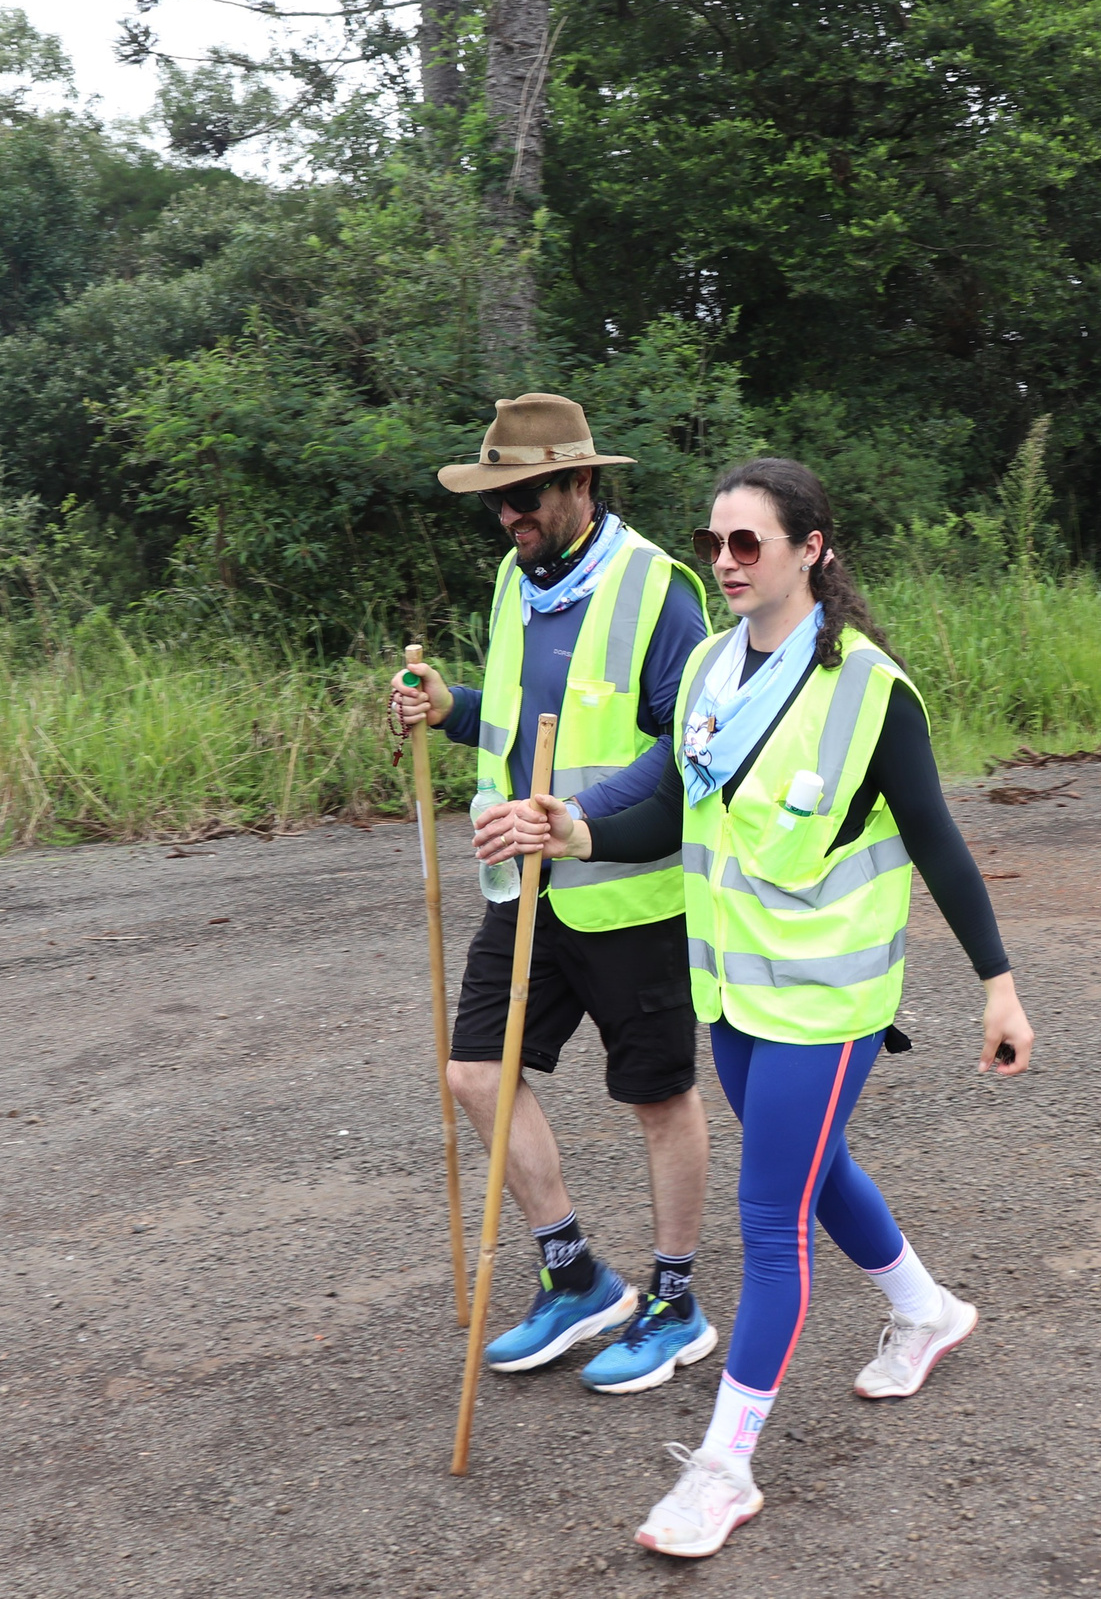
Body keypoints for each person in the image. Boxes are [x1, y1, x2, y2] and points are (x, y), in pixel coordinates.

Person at [480, 457, 1036, 1558]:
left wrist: (998, 984)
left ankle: (724, 1470)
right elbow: (661, 808)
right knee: (813, 1167)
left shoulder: (870, 691)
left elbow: (937, 841)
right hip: (730, 986)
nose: (726, 563)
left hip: (827, 999)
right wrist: (572, 828)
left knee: (770, 1219)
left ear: (810, 549)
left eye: (750, 544)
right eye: (715, 543)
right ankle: (926, 1311)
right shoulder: (710, 674)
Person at [390, 393, 718, 1394]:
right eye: (498, 501)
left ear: (582, 482)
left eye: (525, 496)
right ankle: (574, 1274)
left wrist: (569, 817)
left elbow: (684, 750)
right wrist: (452, 711)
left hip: (629, 894)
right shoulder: (514, 578)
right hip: (523, 887)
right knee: (475, 1073)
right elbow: (532, 718)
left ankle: (674, 1301)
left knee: (656, 1098)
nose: (508, 517)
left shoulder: (659, 590)